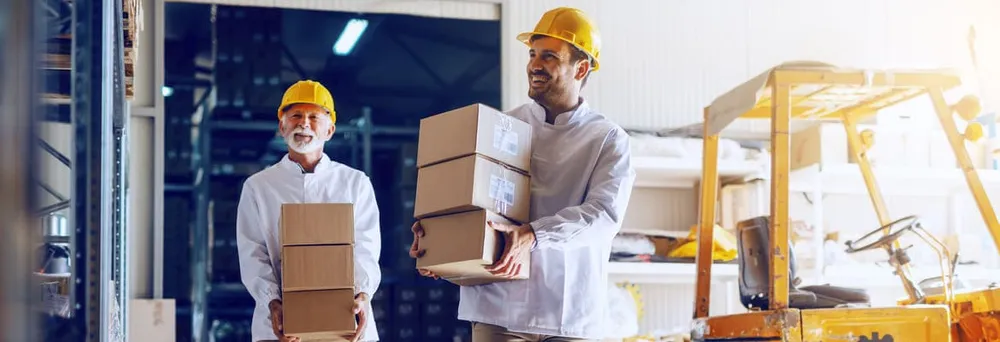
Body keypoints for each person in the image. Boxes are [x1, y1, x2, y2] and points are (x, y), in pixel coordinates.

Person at [410, 7, 635, 342]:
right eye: (532, 54)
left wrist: (533, 235)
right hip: (498, 311)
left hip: (568, 312)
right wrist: (439, 237)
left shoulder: (608, 139)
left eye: (549, 56)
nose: (534, 65)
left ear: (581, 68)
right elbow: (469, 201)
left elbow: (603, 217)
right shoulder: (500, 127)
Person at [237, 80, 382, 342]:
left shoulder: (355, 183)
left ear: (330, 130)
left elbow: (366, 247)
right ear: (282, 126)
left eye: (314, 117)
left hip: (346, 320)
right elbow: (252, 254)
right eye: (295, 116)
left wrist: (362, 293)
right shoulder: (258, 187)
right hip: (280, 327)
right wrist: (273, 301)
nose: (304, 123)